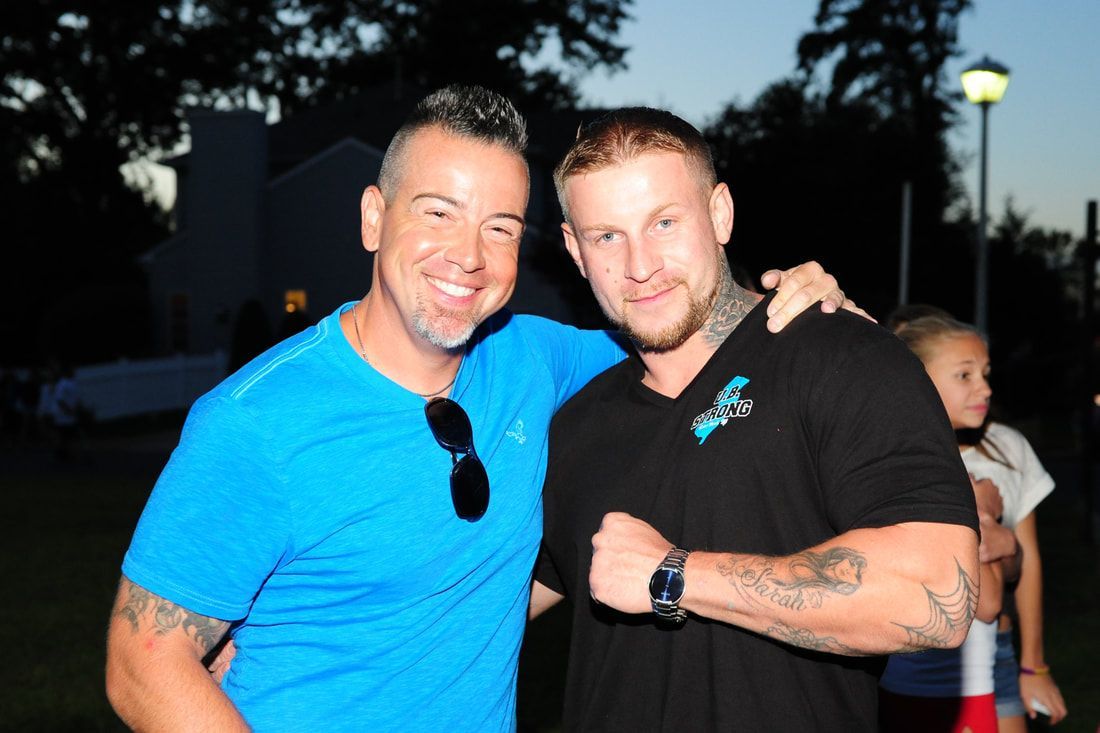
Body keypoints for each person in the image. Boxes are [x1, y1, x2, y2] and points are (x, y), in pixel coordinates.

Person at [104, 85, 852, 731]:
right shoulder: (256, 422)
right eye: (438, 212)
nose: (469, 255)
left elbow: (674, 323)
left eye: (500, 227)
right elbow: (142, 666)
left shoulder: (532, 358)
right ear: (373, 218)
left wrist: (794, 305)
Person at [530, 107, 982, 732]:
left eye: (664, 222)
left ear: (720, 213)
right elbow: (479, 608)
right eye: (607, 236)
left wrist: (673, 574)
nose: (639, 264)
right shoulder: (574, 426)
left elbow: (937, 594)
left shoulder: (841, 355)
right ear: (575, 251)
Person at [882, 315, 1068, 731]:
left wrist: (1033, 665)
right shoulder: (902, 462)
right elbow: (983, 596)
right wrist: (981, 514)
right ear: (918, 380)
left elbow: (1021, 562)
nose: (985, 388)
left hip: (990, 652)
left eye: (985, 374)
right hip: (920, 667)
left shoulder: (1006, 448)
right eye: (965, 375)